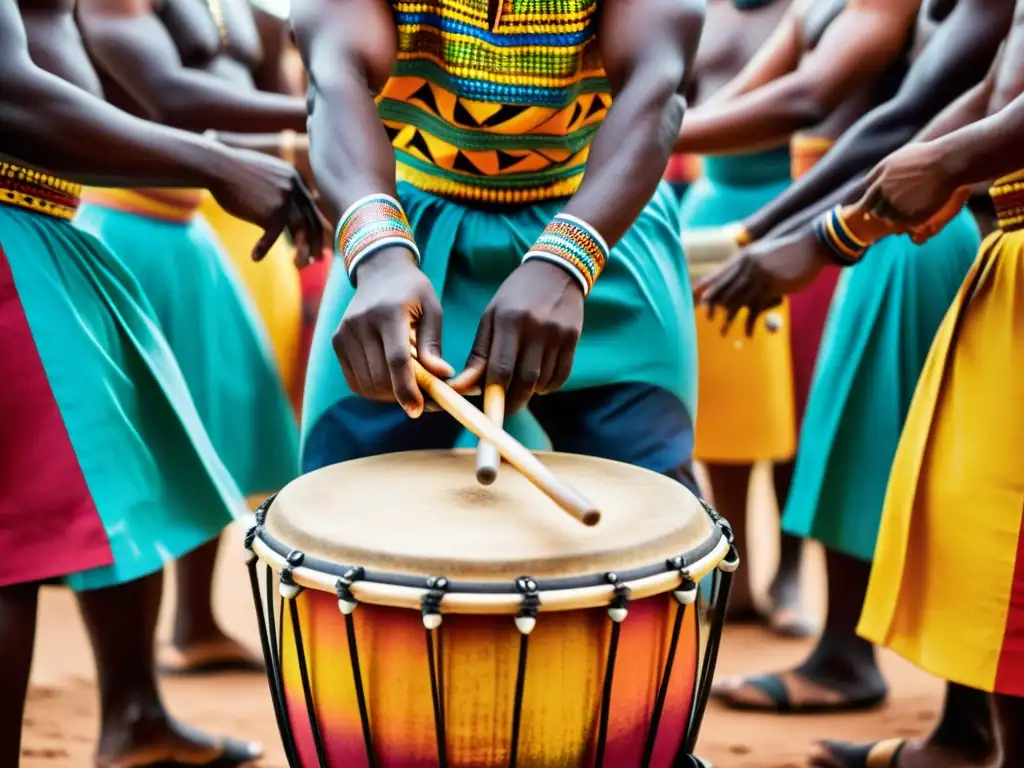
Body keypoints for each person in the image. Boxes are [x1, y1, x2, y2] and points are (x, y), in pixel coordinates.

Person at [0, 2, 321, 765]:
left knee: (125, 481)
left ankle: (135, 714)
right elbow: (11, 98)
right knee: (13, 545)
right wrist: (213, 159)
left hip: (47, 229)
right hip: (17, 240)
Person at [695, 0, 1013, 715]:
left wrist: (818, 235)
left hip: (916, 229)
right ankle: (917, 694)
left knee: (937, 474)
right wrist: (781, 229)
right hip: (886, 218)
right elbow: (917, 121)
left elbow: (907, 120)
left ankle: (927, 695)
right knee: (878, 452)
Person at [292, 0, 706, 512]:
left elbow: (656, 88)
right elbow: (335, 79)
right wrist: (378, 255)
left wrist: (565, 262)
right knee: (337, 513)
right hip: (402, 237)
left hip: (602, 223)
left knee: (657, 519)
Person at [73, 0, 322, 674]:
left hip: (192, 230)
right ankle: (128, 687)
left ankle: (196, 621)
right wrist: (330, 111)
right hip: (123, 224)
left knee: (211, 428)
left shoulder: (252, 11)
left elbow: (263, 87)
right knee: (132, 450)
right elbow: (166, 92)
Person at [673, 0, 919, 635]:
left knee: (803, 400)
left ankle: (787, 573)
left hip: (810, 206)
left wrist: (646, 135)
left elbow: (808, 100)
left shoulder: (826, 7)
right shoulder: (713, 11)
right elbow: (699, 96)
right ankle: (738, 567)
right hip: (715, 207)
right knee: (725, 409)